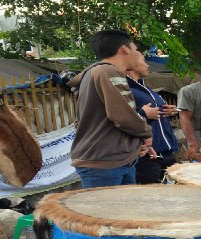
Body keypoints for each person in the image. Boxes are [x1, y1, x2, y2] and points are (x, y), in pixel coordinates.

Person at [69, 29, 154, 188]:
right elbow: (123, 116)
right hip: (104, 164)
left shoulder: (101, 72)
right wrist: (146, 133)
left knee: (124, 212)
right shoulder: (107, 71)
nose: (137, 54)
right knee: (103, 213)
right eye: (135, 49)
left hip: (116, 160)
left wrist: (134, 145)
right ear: (124, 49)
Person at [126, 57, 179, 183]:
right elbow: (120, 119)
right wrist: (142, 114)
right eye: (144, 62)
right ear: (131, 63)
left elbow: (155, 116)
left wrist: (169, 111)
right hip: (147, 155)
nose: (148, 65)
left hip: (166, 152)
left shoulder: (147, 90)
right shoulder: (125, 91)